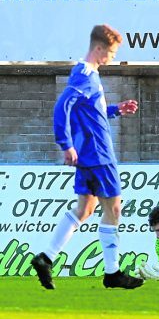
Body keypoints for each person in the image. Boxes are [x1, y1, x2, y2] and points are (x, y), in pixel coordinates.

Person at [31, 24, 143, 290]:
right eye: (112, 52)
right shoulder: (84, 74)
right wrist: (65, 144)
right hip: (98, 154)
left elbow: (91, 111)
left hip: (88, 153)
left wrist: (116, 109)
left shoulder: (87, 73)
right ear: (99, 48)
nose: (113, 57)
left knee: (86, 209)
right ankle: (113, 272)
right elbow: (62, 107)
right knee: (113, 209)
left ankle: (46, 257)